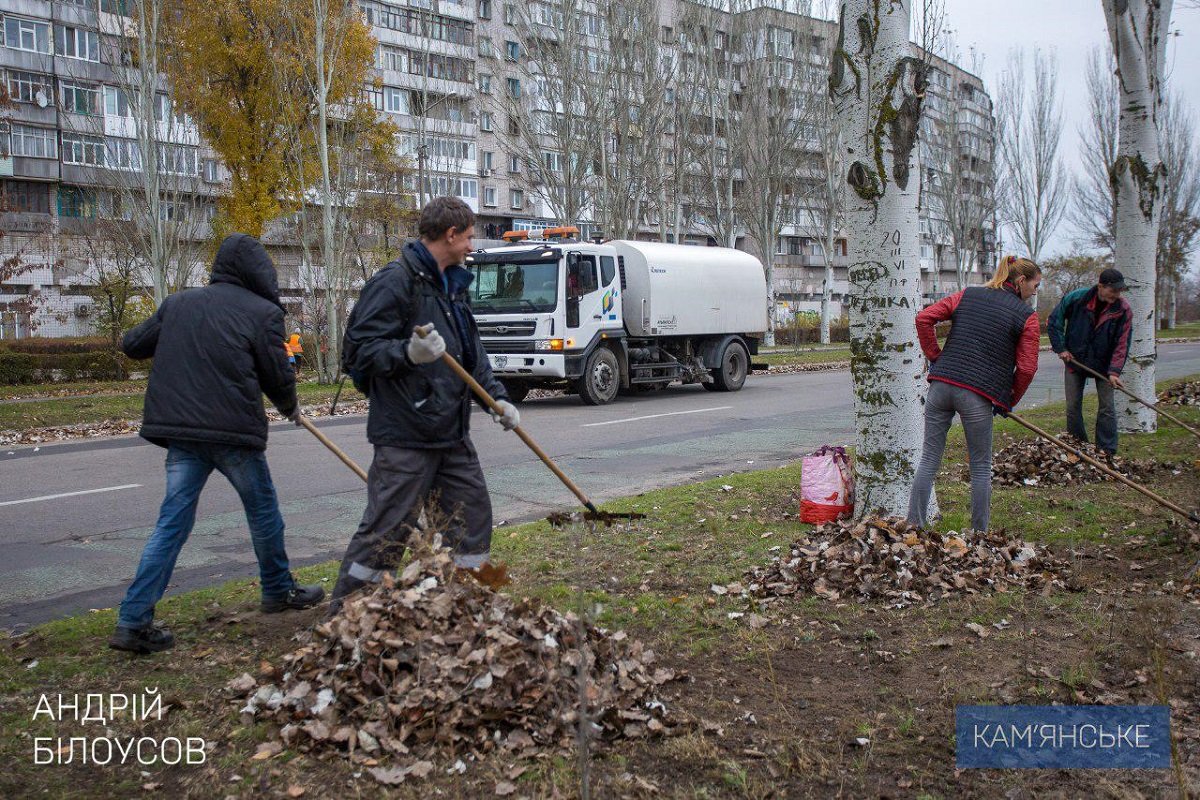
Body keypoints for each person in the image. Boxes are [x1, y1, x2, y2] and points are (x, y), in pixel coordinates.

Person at [109, 234, 324, 654]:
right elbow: (276, 374)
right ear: (259, 272)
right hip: (232, 434)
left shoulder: (178, 304)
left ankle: (132, 622)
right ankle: (278, 591)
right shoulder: (262, 313)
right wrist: (289, 406)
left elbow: (133, 345)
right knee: (263, 513)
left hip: (183, 435)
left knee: (172, 524)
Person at [330, 197, 518, 613]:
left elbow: (472, 354)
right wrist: (408, 352)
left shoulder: (451, 285)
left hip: (450, 433)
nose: (472, 246)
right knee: (387, 531)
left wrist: (498, 399)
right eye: (469, 237)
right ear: (450, 234)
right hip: (405, 434)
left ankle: (461, 605)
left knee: (471, 518)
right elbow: (357, 353)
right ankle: (344, 619)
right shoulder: (395, 282)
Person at [907, 255, 1042, 534]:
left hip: (941, 387)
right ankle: (979, 535)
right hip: (977, 395)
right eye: (1035, 285)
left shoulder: (967, 294)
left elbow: (924, 318)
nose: (1035, 292)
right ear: (1020, 281)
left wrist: (937, 358)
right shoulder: (1027, 317)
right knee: (980, 467)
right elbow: (1027, 369)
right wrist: (1008, 400)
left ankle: (914, 528)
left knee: (929, 459)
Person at [1048, 267, 1133, 455]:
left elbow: (1122, 343)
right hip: (1075, 361)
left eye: (1119, 291)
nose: (1117, 295)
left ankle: (1106, 450)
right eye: (1113, 290)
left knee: (1107, 408)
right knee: (1072, 407)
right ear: (1101, 286)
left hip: (1104, 366)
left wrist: (1114, 372)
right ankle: (1078, 445)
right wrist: (1061, 348)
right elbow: (1055, 321)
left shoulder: (1123, 309)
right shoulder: (1077, 298)